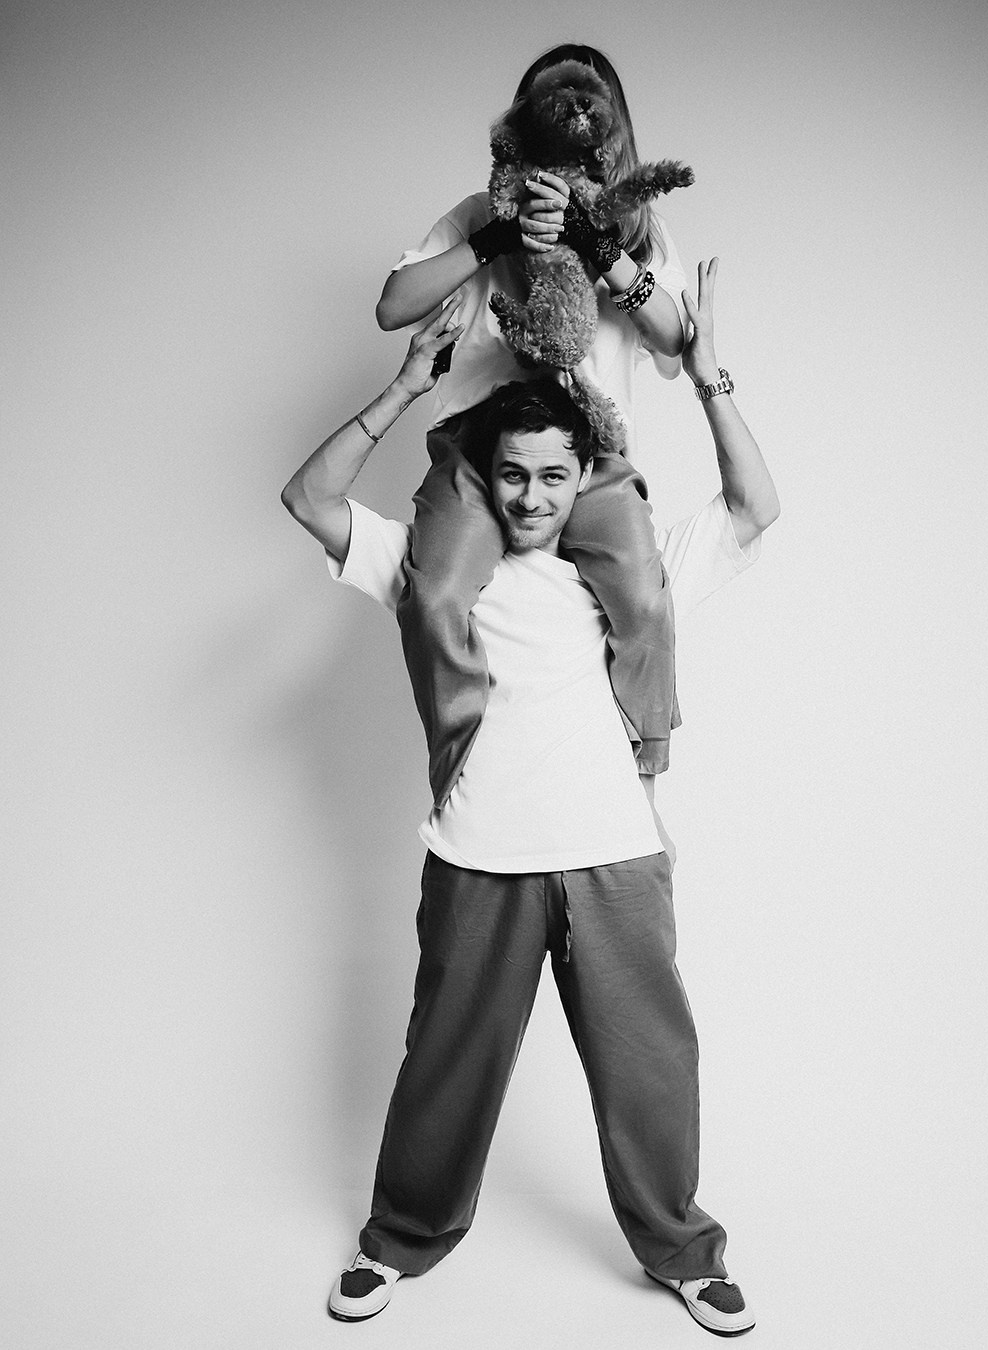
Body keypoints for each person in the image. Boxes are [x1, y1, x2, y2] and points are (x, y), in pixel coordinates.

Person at [281, 257, 779, 1335]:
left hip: (615, 860)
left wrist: (707, 376)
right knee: (445, 1066)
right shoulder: (434, 572)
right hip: (479, 858)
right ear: (486, 474)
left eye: (555, 476)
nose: (532, 497)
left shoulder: (627, 580)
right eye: (513, 475)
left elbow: (754, 506)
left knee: (652, 1068)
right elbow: (308, 499)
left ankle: (684, 1249)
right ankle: (399, 1238)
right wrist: (406, 387)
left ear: (584, 476)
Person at [378, 43, 692, 813]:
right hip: (480, 448)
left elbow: (675, 337)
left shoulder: (636, 226)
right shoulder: (482, 208)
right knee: (434, 595)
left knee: (646, 603)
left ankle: (644, 790)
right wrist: (498, 234)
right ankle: (460, 773)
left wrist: (597, 243)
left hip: (586, 448)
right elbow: (393, 305)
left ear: (612, 125)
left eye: (589, 108)